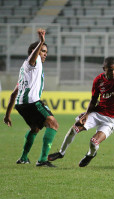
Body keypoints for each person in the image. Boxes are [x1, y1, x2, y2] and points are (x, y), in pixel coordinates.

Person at [48, 56, 114, 167]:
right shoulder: (98, 80)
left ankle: (90, 155)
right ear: (104, 69)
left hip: (112, 119)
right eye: (110, 69)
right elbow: (93, 99)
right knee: (74, 128)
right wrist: (86, 114)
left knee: (93, 142)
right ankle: (61, 153)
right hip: (98, 113)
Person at [3, 29, 58, 167]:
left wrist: (7, 115)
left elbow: (13, 94)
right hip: (32, 102)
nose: (45, 54)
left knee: (35, 128)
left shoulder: (24, 69)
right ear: (35, 51)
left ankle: (23, 158)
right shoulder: (33, 62)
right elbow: (34, 57)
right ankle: (42, 160)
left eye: (46, 51)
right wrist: (41, 41)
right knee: (53, 124)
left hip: (20, 104)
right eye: (42, 51)